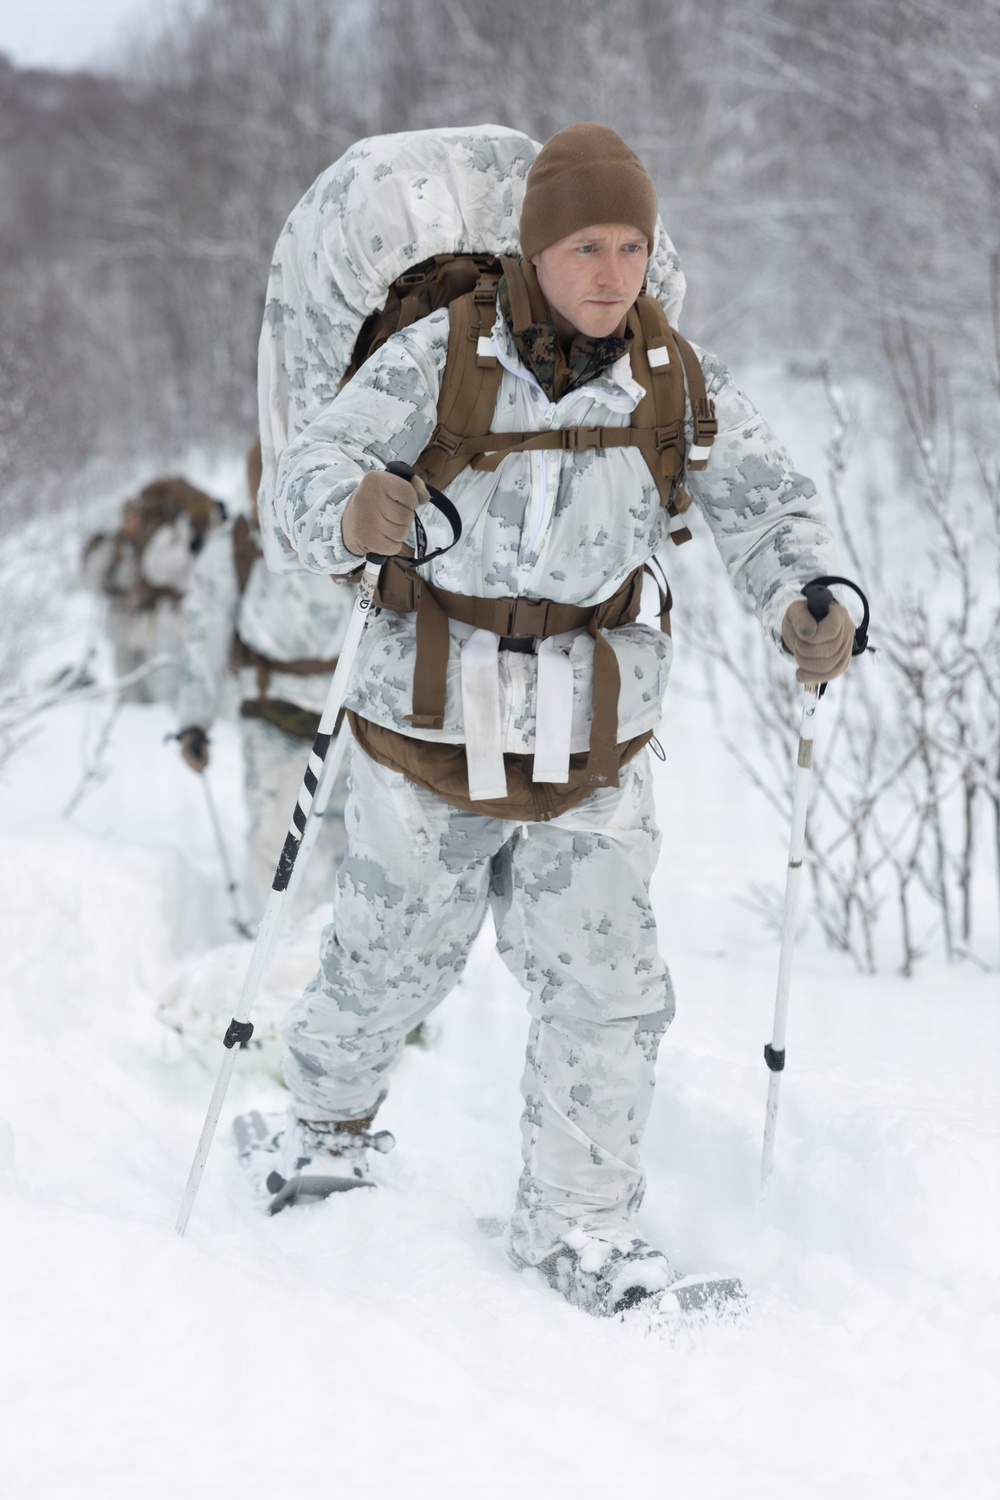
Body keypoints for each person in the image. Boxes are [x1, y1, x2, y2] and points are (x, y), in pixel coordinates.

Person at [258, 123, 856, 1316]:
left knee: (608, 987)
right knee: (387, 962)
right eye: (585, 245)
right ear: (537, 250)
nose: (611, 272)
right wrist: (356, 510)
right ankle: (320, 1127)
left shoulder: (674, 376)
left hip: (594, 733)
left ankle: (580, 1228)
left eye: (631, 245)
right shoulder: (438, 357)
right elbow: (305, 476)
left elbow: (763, 506)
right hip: (428, 720)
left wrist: (806, 598)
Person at [174, 441, 355, 917]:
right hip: (270, 709)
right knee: (276, 845)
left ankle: (337, 957)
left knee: (352, 844)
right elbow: (206, 638)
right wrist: (195, 721)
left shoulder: (350, 527)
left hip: (352, 714)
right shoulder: (233, 546)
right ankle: (269, 951)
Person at [82, 476, 224, 703]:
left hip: (145, 616)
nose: (132, 522)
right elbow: (94, 581)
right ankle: (131, 713)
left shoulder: (151, 539)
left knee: (151, 675)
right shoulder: (115, 546)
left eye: (135, 517)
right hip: (121, 615)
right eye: (128, 518)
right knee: (127, 673)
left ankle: (147, 713)